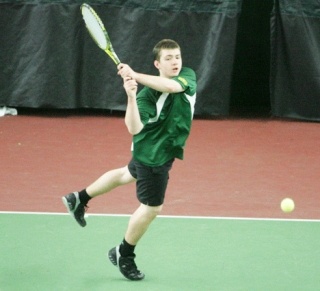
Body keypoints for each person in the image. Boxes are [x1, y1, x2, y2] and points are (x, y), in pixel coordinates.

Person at [62, 39, 197, 281]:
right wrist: (132, 97)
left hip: (159, 148)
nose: (175, 61)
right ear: (157, 63)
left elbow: (172, 88)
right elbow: (133, 127)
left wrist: (135, 74)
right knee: (152, 207)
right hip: (153, 155)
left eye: (177, 56)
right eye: (168, 58)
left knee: (127, 173)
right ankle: (124, 253)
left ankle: (79, 198)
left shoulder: (186, 76)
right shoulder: (146, 96)